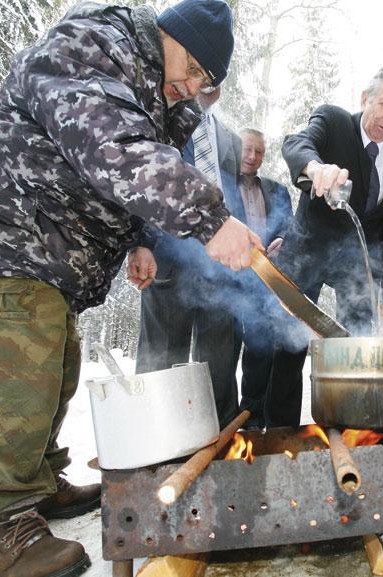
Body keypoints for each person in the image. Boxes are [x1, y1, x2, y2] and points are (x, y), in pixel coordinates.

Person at [0, 1, 263, 575]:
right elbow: (111, 147)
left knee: (54, 365)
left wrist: (139, 238)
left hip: (41, 248)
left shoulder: (154, 87)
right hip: (1, 231)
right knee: (14, 374)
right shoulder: (99, 42)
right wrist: (210, 218)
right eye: (192, 69)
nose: (191, 87)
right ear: (170, 33)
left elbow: (125, 179)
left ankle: (37, 485)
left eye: (204, 81)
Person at [266, 65, 383, 428]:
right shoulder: (334, 122)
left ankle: (354, 424)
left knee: (359, 340)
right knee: (289, 344)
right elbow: (296, 143)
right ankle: (280, 431)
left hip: (356, 260)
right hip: (306, 249)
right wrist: (315, 167)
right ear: (365, 98)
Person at [133, 86, 244, 429]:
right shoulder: (161, 120)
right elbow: (143, 183)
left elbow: (231, 198)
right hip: (168, 260)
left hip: (220, 268)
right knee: (162, 358)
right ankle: (155, 444)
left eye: (217, 75)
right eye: (202, 71)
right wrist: (141, 242)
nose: (209, 82)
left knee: (220, 362)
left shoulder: (230, 140)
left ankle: (222, 443)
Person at [232, 128, 293, 430]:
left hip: (264, 282)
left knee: (261, 349)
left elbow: (288, 226)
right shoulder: (221, 184)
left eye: (258, 152)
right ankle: (228, 421)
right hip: (226, 280)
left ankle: (255, 419)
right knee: (225, 352)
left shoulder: (277, 190)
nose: (252, 157)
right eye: (246, 149)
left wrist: (282, 237)